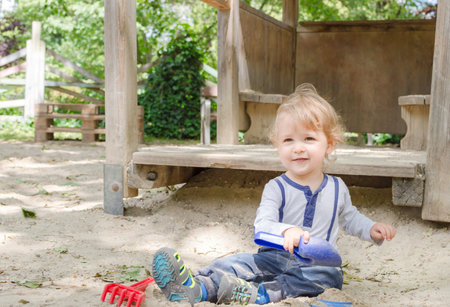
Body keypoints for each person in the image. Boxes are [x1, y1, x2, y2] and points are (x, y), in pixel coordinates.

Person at [151, 83, 396, 305]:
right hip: (274, 257)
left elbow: (349, 218)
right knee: (237, 264)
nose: (298, 147)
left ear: (329, 144)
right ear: (278, 145)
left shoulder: (337, 187)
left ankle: (261, 294)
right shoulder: (276, 187)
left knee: (327, 277)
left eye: (309, 138)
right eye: (288, 140)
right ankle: (197, 288)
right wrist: (286, 231)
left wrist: (371, 228)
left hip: (317, 264)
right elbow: (263, 225)